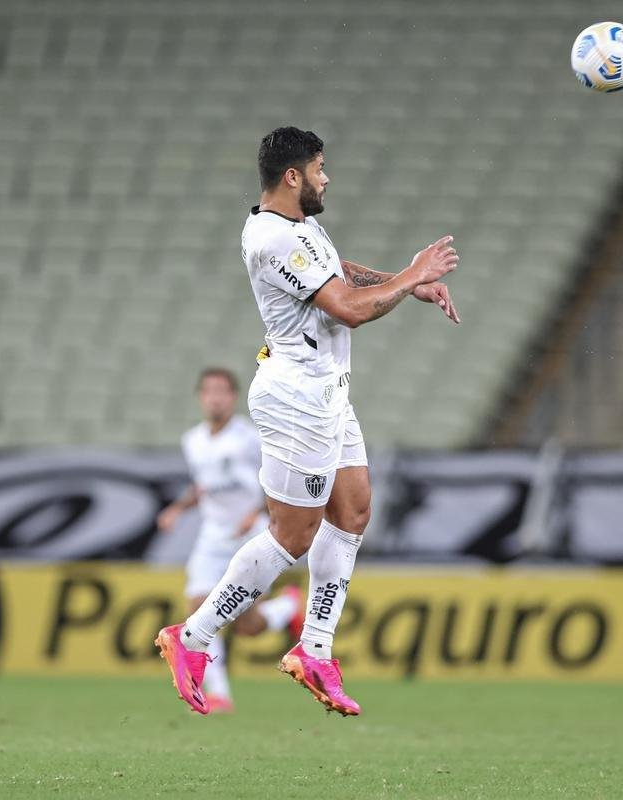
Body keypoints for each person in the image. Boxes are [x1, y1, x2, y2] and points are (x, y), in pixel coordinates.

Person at [155, 126, 459, 717]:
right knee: (292, 535)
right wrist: (411, 274)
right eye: (319, 168)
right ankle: (192, 637)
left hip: (327, 392)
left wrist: (404, 283)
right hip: (297, 399)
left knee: (353, 510)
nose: (327, 177)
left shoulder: (295, 226)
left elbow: (334, 269)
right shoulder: (273, 238)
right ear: (292, 176)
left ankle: (314, 650)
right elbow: (345, 308)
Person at [155, 367, 304, 713]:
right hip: (213, 535)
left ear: (233, 397)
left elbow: (278, 476)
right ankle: (218, 693)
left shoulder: (250, 437)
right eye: (209, 391)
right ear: (200, 397)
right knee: (198, 609)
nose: (215, 398)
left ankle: (287, 606)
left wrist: (258, 510)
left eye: (222, 391)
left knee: (247, 626)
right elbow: (204, 486)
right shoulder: (192, 440)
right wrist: (177, 508)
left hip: (251, 533)